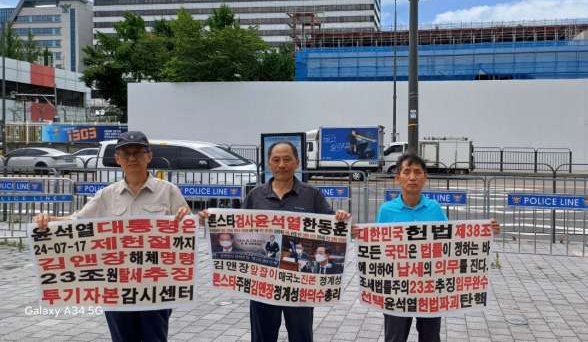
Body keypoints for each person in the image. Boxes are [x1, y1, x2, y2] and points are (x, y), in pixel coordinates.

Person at [33, 130, 191, 342]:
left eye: (138, 152)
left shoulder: (169, 191)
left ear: (149, 156)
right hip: (116, 286)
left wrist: (187, 220)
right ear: (117, 159)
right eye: (126, 153)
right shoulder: (106, 195)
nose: (132, 158)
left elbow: (189, 231)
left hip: (156, 286)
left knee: (155, 338)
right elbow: (77, 222)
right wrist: (49, 220)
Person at [199, 141, 350, 342]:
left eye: (287, 159)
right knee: (263, 336)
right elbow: (236, 229)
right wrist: (210, 220)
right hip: (263, 282)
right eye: (276, 159)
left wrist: (340, 217)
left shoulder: (311, 195)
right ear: (269, 164)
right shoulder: (256, 195)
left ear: (297, 162)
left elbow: (330, 225)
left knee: (301, 335)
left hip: (299, 284)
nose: (281, 164)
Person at [373, 153, 501, 342]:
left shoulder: (434, 209)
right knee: (395, 337)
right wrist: (358, 236)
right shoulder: (386, 210)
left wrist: (485, 231)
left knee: (431, 337)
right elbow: (376, 245)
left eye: (417, 172)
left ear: (425, 177)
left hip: (430, 287)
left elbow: (453, 240)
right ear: (397, 178)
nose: (412, 177)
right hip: (397, 288)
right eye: (406, 172)